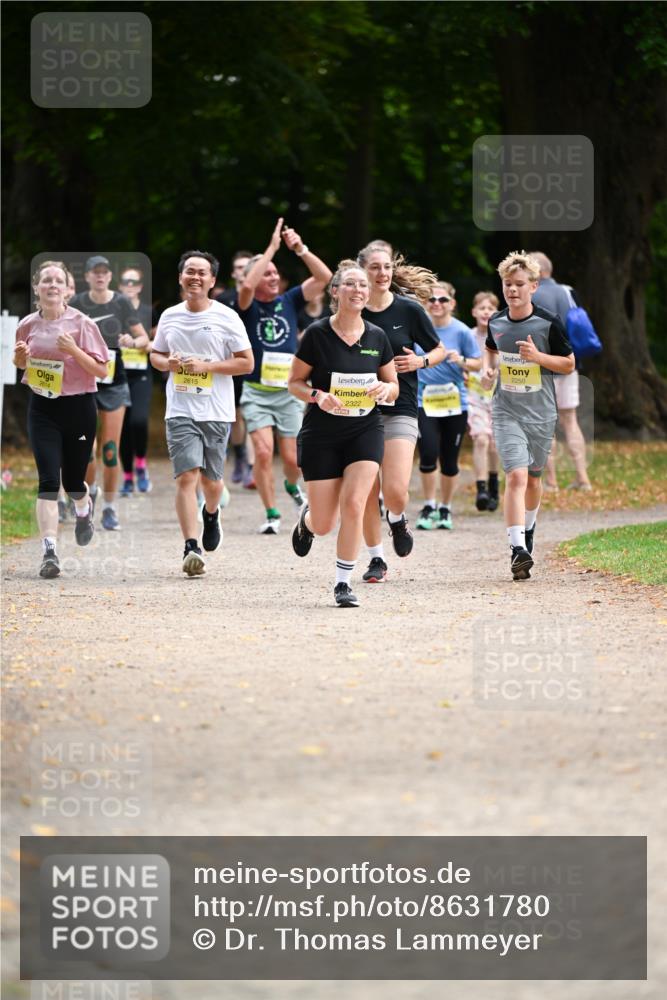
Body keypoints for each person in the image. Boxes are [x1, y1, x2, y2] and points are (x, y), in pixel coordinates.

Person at [288, 261, 398, 607]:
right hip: (322, 433)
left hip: (364, 429)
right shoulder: (317, 334)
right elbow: (294, 383)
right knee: (324, 523)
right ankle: (307, 521)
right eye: (350, 284)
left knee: (355, 503)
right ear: (335, 292)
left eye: (363, 285)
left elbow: (394, 386)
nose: (358, 290)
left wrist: (384, 390)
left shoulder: (377, 337)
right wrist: (319, 397)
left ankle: (342, 583)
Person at [150, 250, 253, 576]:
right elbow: (156, 355)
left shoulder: (227, 316)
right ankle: (190, 546)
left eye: (201, 273)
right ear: (181, 277)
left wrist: (207, 366)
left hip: (217, 410)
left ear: (211, 281)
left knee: (211, 482)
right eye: (189, 271)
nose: (195, 277)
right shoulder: (169, 316)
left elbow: (246, 362)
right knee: (187, 477)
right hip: (180, 409)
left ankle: (211, 513)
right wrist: (167, 364)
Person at [482, 251, 574, 580]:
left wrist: (537, 357)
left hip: (541, 412)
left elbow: (568, 364)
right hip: (506, 409)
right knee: (516, 477)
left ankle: (529, 528)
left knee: (534, 478)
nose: (513, 290)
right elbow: (491, 349)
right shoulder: (496, 321)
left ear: (533, 286)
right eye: (508, 284)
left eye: (520, 284)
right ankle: (517, 548)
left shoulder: (549, 322)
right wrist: (488, 370)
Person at [356, 240, 445, 583]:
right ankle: (376, 558)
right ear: (362, 271)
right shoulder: (352, 310)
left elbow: (439, 350)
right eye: (375, 267)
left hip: (401, 406)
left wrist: (420, 360)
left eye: (387, 267)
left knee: (394, 490)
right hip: (358, 410)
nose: (382, 273)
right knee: (364, 489)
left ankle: (396, 517)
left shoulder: (408, 310)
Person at [13, 261, 109, 578]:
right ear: (37, 288)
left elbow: (102, 370)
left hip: (78, 408)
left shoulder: (82, 324)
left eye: (59, 280)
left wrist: (73, 349)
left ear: (68, 289)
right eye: (46, 280)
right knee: (49, 482)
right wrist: (20, 357)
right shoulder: (27, 324)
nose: (52, 285)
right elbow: (19, 363)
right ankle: (50, 552)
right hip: (42, 408)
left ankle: (83, 508)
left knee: (72, 482)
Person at [237, 218, 332, 534]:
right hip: (257, 391)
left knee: (292, 460)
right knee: (263, 453)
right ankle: (272, 513)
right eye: (267, 272)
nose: (273, 276)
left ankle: (292, 486)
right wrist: (271, 248)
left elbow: (325, 277)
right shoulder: (247, 306)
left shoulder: (289, 300)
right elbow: (248, 286)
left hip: (288, 391)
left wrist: (299, 248)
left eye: (276, 272)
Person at [69, 255, 150, 531]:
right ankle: (91, 492)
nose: (100, 277)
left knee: (110, 450)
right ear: (89, 276)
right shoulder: (78, 303)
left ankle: (111, 508)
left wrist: (132, 340)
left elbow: (144, 340)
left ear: (109, 277)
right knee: (87, 450)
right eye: (95, 273)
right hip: (85, 383)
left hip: (115, 383)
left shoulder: (121, 302)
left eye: (105, 273)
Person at [415, 283, 481, 531]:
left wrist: (460, 360)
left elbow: (477, 363)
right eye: (431, 299)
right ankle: (429, 505)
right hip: (424, 402)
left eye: (442, 300)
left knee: (450, 459)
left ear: (452, 304)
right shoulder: (419, 329)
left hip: (454, 404)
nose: (436, 304)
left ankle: (445, 508)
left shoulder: (462, 331)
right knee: (429, 453)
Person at [530, 251, 592, 490]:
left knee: (547, 422)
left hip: (542, 365)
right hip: (569, 364)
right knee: (570, 420)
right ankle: (582, 478)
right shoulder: (568, 291)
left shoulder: (531, 294)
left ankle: (552, 482)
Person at [216, 250, 256, 488]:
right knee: (238, 416)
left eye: (246, 267)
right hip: (234, 364)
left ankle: (249, 466)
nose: (242, 272)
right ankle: (240, 453)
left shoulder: (261, 298)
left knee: (252, 416)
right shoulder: (224, 300)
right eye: (239, 268)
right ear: (233, 273)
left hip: (258, 364)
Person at [118, 266, 157, 495]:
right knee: (122, 428)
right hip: (119, 375)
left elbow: (159, 344)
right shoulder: (113, 311)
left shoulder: (147, 312)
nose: (130, 286)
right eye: (126, 281)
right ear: (120, 286)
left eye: (134, 282)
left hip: (141, 375)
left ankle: (141, 464)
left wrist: (142, 344)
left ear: (140, 287)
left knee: (139, 421)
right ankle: (127, 476)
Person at [467, 291, 501, 512]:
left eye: (490, 309)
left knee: (495, 444)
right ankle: (480, 489)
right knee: (480, 439)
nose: (486, 312)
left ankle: (494, 485)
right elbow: (459, 360)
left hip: (498, 397)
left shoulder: (502, 336)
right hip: (474, 396)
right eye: (482, 308)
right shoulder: (467, 335)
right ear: (474, 312)